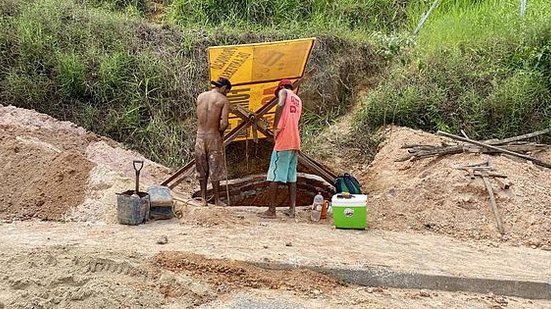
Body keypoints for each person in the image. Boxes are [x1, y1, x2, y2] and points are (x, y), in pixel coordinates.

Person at [260, 79, 302, 218]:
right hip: (295, 141)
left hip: (284, 141)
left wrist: (275, 128)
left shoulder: (284, 92)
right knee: (292, 177)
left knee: (274, 175)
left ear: (282, 87)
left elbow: (280, 104)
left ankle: (271, 211)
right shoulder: (298, 99)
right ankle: (292, 210)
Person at [195, 77, 231, 206]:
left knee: (201, 168)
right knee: (215, 169)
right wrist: (220, 132)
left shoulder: (200, 97)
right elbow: (224, 123)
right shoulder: (223, 100)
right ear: (223, 88)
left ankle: (203, 199)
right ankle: (216, 200)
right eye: (227, 91)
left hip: (199, 137)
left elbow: (199, 116)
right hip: (213, 137)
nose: (226, 93)